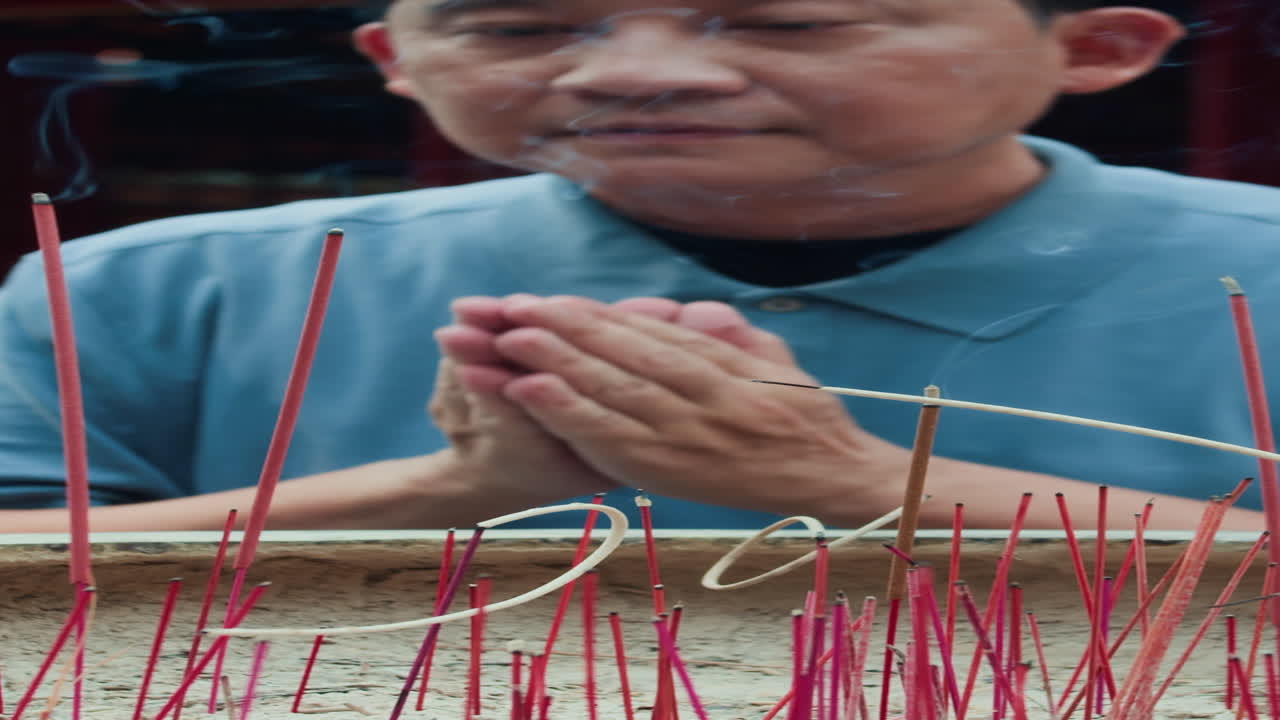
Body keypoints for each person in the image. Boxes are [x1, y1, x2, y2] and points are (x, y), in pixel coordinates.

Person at [0, 0, 1277, 533]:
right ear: (395, 58)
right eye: (522, 25)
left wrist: (857, 481)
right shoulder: (149, 290)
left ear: (1101, 45)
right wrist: (445, 491)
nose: (629, 72)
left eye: (791, 20)